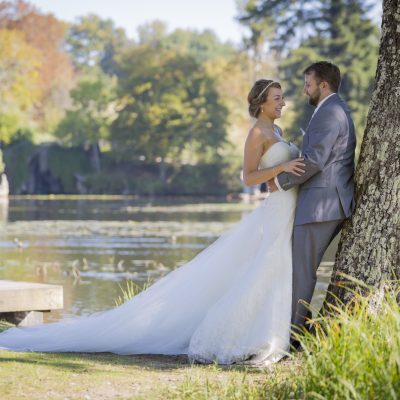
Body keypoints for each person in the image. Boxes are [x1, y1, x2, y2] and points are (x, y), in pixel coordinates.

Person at [0, 79, 304, 366]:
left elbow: (276, 176)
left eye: (282, 98)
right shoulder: (257, 134)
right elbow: (249, 177)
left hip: (283, 209)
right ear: (262, 103)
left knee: (272, 270)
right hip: (275, 210)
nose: (283, 103)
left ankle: (270, 332)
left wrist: (284, 170)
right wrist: (282, 167)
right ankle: (242, 336)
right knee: (267, 267)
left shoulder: (277, 133)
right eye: (278, 98)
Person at [268, 61, 356, 339]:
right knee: (301, 269)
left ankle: (293, 337)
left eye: (308, 83)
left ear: (323, 85)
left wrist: (279, 182)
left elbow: (315, 160)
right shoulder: (334, 110)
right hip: (326, 202)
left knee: (301, 272)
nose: (305, 89)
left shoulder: (330, 113)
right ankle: (297, 331)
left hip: (321, 205)